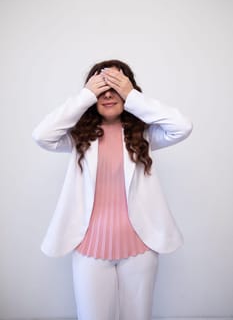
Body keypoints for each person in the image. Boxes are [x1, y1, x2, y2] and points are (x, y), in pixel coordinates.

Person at [32, 59, 193, 320]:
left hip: (140, 246)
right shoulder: (78, 138)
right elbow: (41, 135)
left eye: (115, 86)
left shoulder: (145, 135)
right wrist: (85, 95)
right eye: (100, 87)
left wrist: (132, 96)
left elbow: (183, 126)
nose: (108, 94)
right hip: (89, 247)